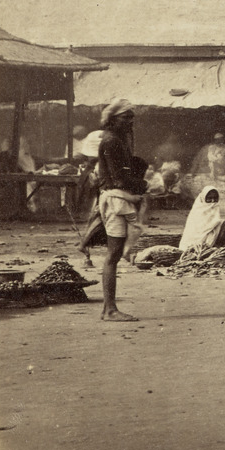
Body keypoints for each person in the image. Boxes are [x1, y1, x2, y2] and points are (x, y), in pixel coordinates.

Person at [89, 99, 146, 322]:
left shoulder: (116, 140)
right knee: (113, 255)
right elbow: (120, 179)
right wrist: (142, 185)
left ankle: (109, 308)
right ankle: (109, 309)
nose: (131, 122)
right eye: (126, 117)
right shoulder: (112, 141)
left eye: (132, 117)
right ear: (113, 120)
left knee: (114, 254)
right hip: (115, 199)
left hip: (116, 198)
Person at [179, 185, 225, 254]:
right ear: (203, 199)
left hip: (211, 245)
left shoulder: (215, 210)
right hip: (194, 245)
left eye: (215, 198)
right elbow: (191, 234)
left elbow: (215, 224)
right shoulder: (196, 212)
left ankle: (219, 252)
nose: (213, 201)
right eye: (209, 198)